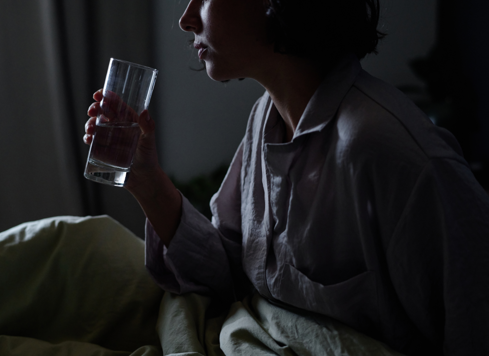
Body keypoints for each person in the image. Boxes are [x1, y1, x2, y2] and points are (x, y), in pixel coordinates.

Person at [83, 0, 489, 355]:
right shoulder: (265, 119)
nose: (187, 19)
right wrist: (146, 179)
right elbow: (228, 276)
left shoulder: (390, 154)